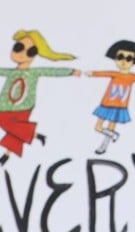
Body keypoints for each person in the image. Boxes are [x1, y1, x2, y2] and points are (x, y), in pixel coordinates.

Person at [0, 30, 80, 166]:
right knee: (16, 129)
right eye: (19, 47)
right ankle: (34, 137)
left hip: (24, 106)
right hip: (4, 106)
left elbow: (52, 71)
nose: (22, 53)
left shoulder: (34, 72)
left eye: (30, 51)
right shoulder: (10, 72)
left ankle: (7, 155)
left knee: (15, 129)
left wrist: (71, 72)